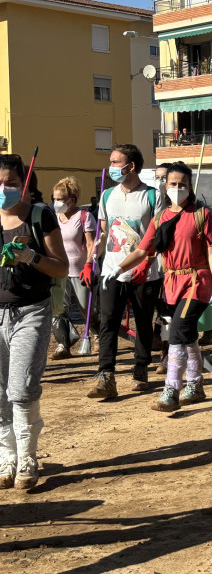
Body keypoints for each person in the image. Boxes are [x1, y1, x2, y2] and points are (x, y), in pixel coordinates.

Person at [109, 162, 212, 412]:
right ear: (165, 185)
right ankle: (195, 383)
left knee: (178, 331)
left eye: (182, 184)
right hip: (171, 283)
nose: (177, 188)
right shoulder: (160, 218)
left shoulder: (202, 214)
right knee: (186, 333)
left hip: (197, 280)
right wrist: (119, 269)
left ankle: (171, 389)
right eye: (173, 184)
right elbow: (142, 250)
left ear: (190, 187)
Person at [0, 153, 68, 490]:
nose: (3, 190)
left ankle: (27, 456)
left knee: (22, 387)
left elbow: (62, 267)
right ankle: (5, 457)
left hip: (30, 311)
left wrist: (31, 256)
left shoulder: (41, 217)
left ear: (25, 186)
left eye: (10, 184)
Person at [88, 144, 163, 399]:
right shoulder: (107, 195)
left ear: (130, 166)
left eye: (116, 161)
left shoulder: (153, 196)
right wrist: (91, 261)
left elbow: (158, 237)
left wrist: (147, 263)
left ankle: (141, 368)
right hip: (111, 271)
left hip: (144, 273)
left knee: (143, 323)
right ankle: (105, 375)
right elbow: (104, 232)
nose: (112, 167)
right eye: (111, 161)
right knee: (108, 322)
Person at [50, 176, 97, 360]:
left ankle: (97, 335)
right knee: (60, 309)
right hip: (60, 271)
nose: (57, 203)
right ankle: (63, 344)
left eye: (60, 199)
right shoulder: (54, 218)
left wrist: (89, 265)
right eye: (54, 199)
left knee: (87, 309)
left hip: (81, 271)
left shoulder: (84, 216)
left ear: (72, 199)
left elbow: (91, 243)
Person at [151, 163, 172, 377]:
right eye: (158, 178)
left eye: (164, 177)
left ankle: (167, 356)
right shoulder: (154, 205)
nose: (161, 182)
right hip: (152, 267)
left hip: (174, 270)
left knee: (167, 314)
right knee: (158, 312)